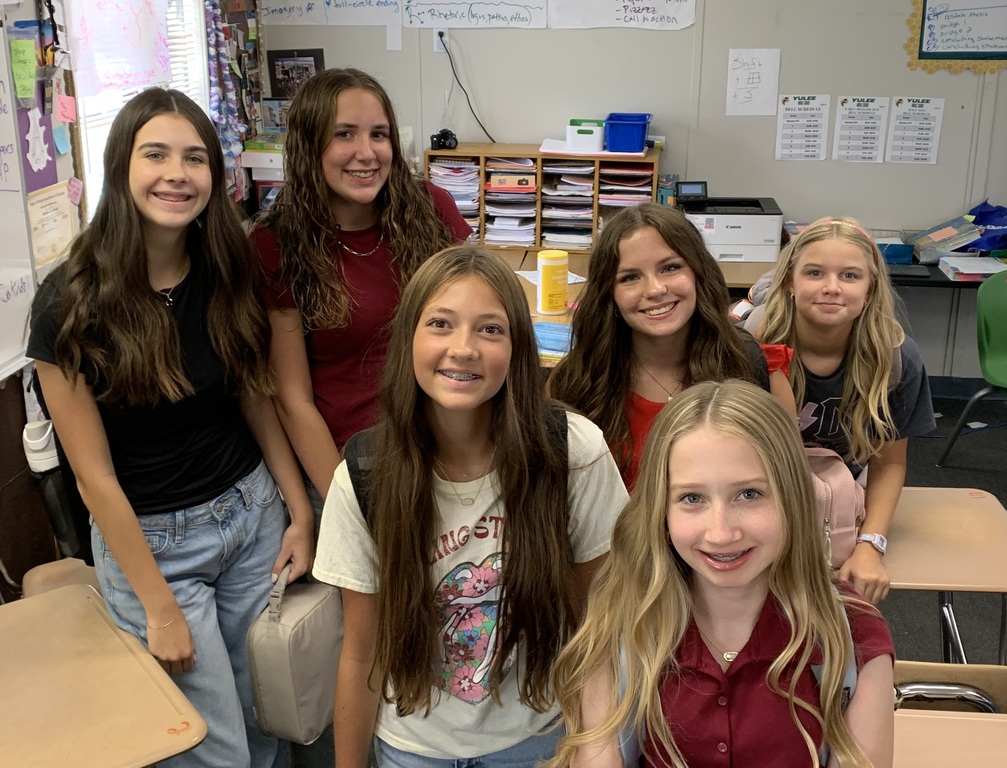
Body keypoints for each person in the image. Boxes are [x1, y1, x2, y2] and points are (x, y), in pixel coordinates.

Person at [27, 88, 313, 768]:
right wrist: (158, 608)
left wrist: (300, 510)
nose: (176, 174)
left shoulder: (225, 268)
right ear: (122, 165)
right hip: (155, 549)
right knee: (212, 751)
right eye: (156, 154)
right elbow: (93, 480)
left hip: (252, 521)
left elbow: (255, 397)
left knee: (266, 722)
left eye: (195, 158)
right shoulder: (69, 302)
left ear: (215, 175)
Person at [312, 246, 628, 768]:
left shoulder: (571, 453)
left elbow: (593, 627)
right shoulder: (366, 474)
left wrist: (595, 744)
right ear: (408, 340)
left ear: (518, 349)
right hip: (414, 748)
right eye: (440, 323)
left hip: (535, 741)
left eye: (490, 329)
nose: (464, 348)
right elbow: (362, 651)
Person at [551, 380, 895, 768]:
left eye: (749, 494)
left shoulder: (854, 636)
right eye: (692, 498)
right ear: (661, 511)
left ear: (793, 498)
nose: (721, 533)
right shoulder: (618, 625)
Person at [253, 67, 471, 514]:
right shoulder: (277, 243)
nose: (366, 153)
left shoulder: (432, 210)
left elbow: (479, 325)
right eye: (344, 134)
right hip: (350, 468)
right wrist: (347, 511)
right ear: (309, 145)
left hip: (446, 449)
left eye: (379, 134)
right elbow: (293, 400)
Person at [547, 203, 795, 491]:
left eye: (670, 267)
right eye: (630, 277)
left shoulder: (753, 367)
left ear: (698, 272)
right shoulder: (575, 383)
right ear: (609, 294)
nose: (655, 290)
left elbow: (786, 489)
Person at [754, 217, 935, 604]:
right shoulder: (750, 345)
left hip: (845, 495)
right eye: (815, 272)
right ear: (789, 281)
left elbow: (889, 463)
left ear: (870, 290)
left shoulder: (896, 358)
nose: (832, 288)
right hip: (764, 486)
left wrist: (871, 544)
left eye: (850, 276)